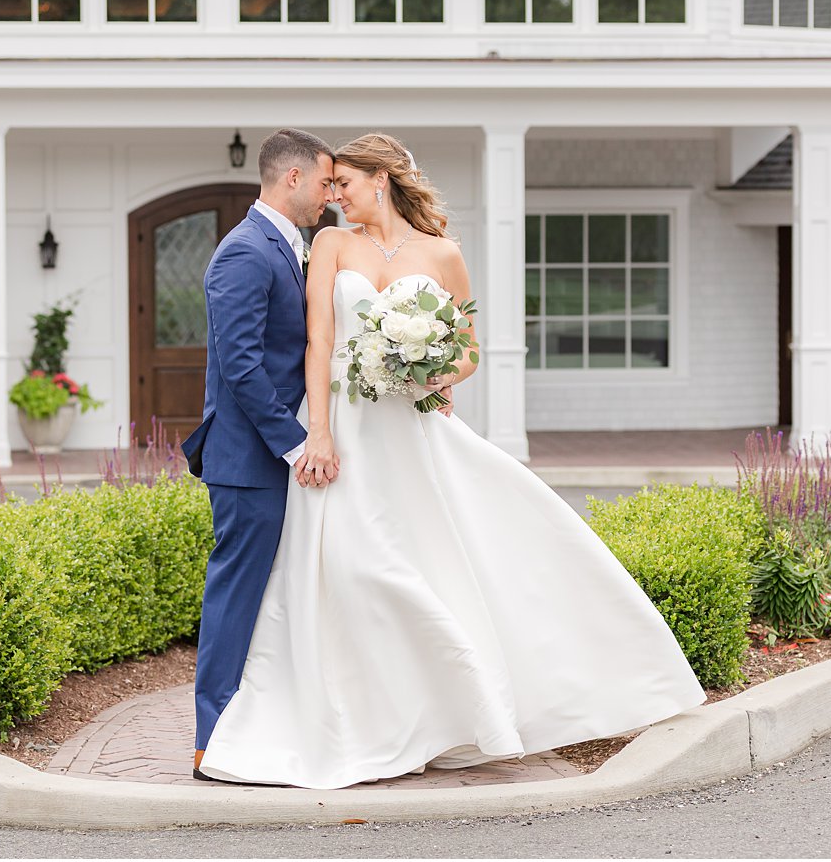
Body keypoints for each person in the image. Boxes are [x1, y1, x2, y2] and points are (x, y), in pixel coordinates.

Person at [194, 132, 708, 790]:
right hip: (347, 433)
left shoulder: (443, 253)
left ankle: (454, 708)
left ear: (380, 180)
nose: (334, 197)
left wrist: (434, 373)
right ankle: (361, 718)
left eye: (343, 184)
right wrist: (316, 432)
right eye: (328, 184)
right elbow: (317, 346)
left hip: (410, 432)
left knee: (446, 555)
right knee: (349, 569)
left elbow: (468, 348)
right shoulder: (329, 245)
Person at [180, 128, 337, 779]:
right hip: (250, 463)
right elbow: (241, 367)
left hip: (271, 459)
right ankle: (210, 740)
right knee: (235, 597)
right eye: (326, 182)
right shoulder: (246, 251)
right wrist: (297, 441)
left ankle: (255, 727)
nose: (331, 196)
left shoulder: (289, 245)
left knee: (268, 597)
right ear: (293, 178)